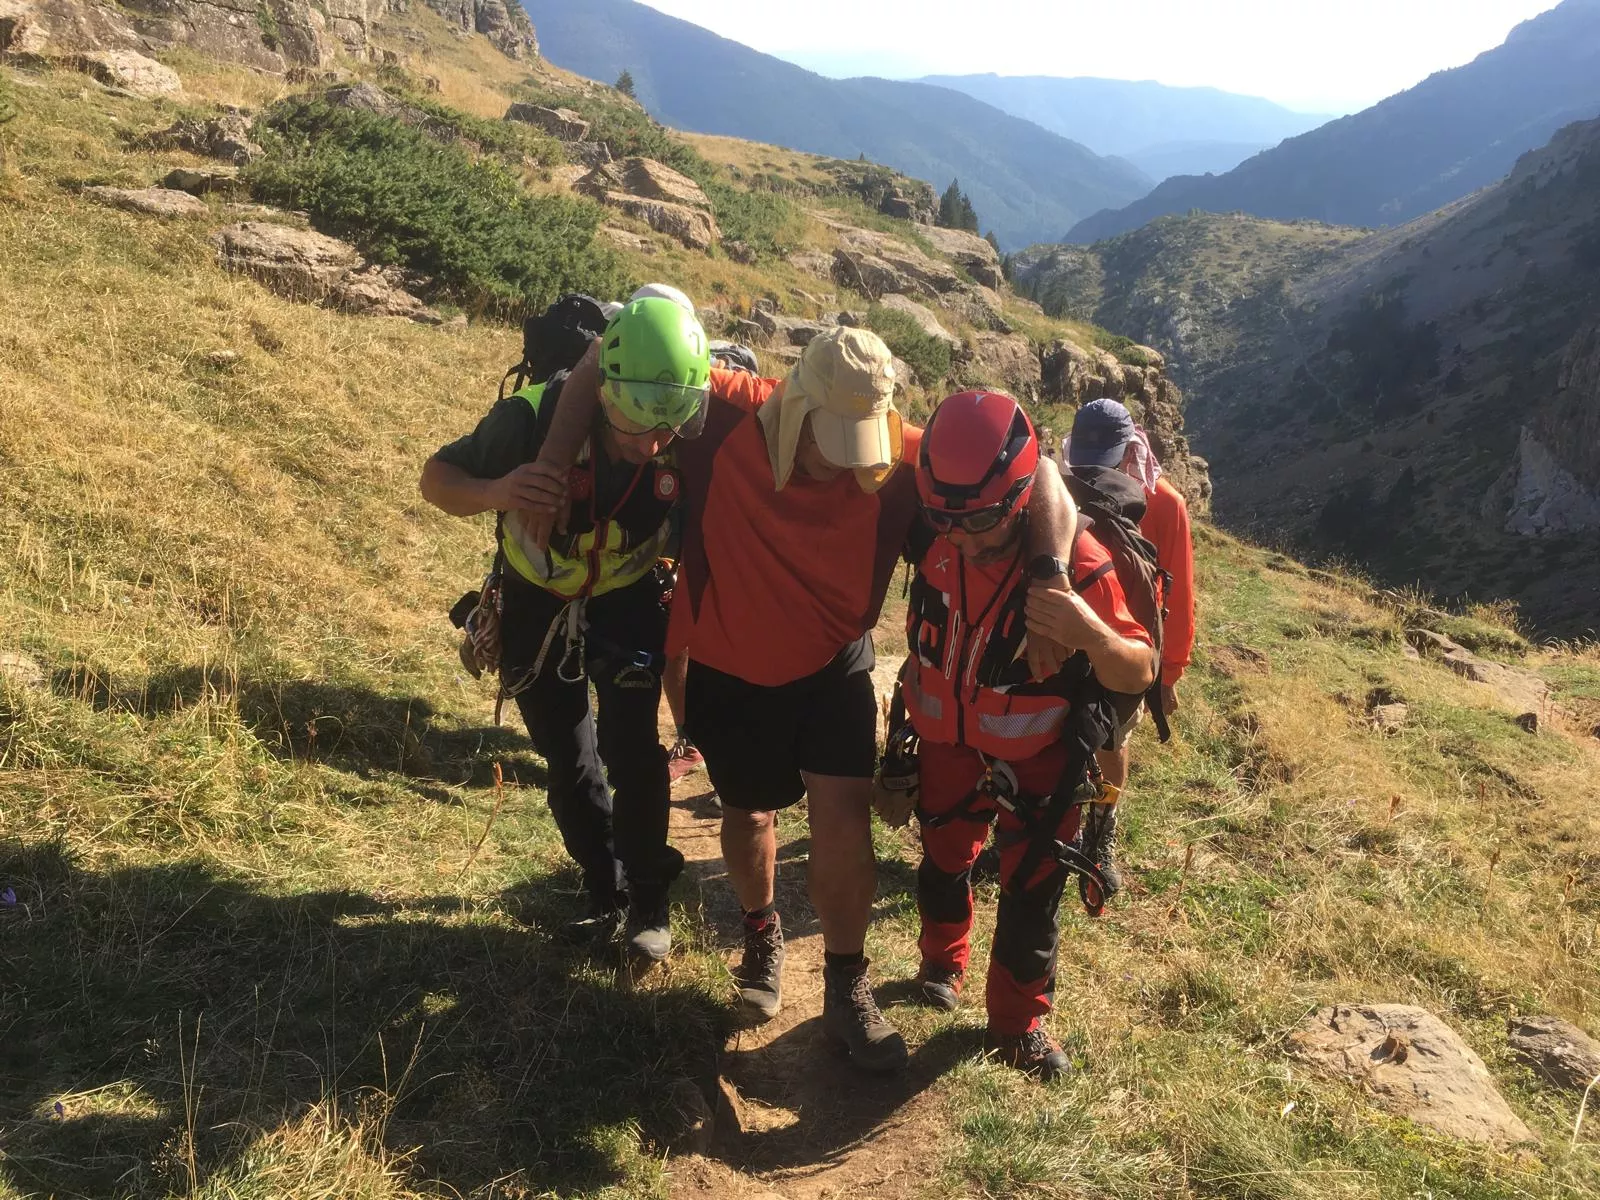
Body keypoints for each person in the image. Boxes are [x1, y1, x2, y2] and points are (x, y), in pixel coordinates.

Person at [522, 324, 1084, 1072]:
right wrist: (550, 469)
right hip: (728, 662)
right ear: (795, 403)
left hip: (833, 662)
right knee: (747, 813)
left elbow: (1036, 471)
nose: (847, 465)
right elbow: (601, 351)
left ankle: (846, 989)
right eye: (829, 443)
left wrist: (1049, 573)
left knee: (844, 817)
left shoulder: (897, 456)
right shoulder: (724, 411)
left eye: (861, 446)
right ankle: (761, 932)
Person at [418, 296, 711, 968]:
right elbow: (437, 479)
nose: (653, 444)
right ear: (604, 390)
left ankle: (648, 899)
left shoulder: (676, 427)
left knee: (633, 752)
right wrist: (502, 491)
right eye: (637, 425)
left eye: (669, 427)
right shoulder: (529, 420)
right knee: (571, 761)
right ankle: (604, 885)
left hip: (628, 597)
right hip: (534, 600)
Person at [900, 390, 1156, 1079]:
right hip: (946, 741)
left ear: (1016, 499)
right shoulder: (942, 523)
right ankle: (940, 962)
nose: (963, 538)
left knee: (1032, 891)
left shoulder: (1080, 565)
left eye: (982, 522)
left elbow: (1139, 669)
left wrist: (1089, 633)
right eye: (945, 521)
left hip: (1040, 756)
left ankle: (1016, 1026)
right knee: (943, 858)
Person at [1064, 398, 1196, 895]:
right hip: (1066, 632)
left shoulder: (1164, 503)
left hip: (1127, 644)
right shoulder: (1061, 487)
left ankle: (1100, 834)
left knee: (1112, 739)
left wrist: (1169, 673)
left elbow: (1177, 592)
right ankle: (1047, 826)